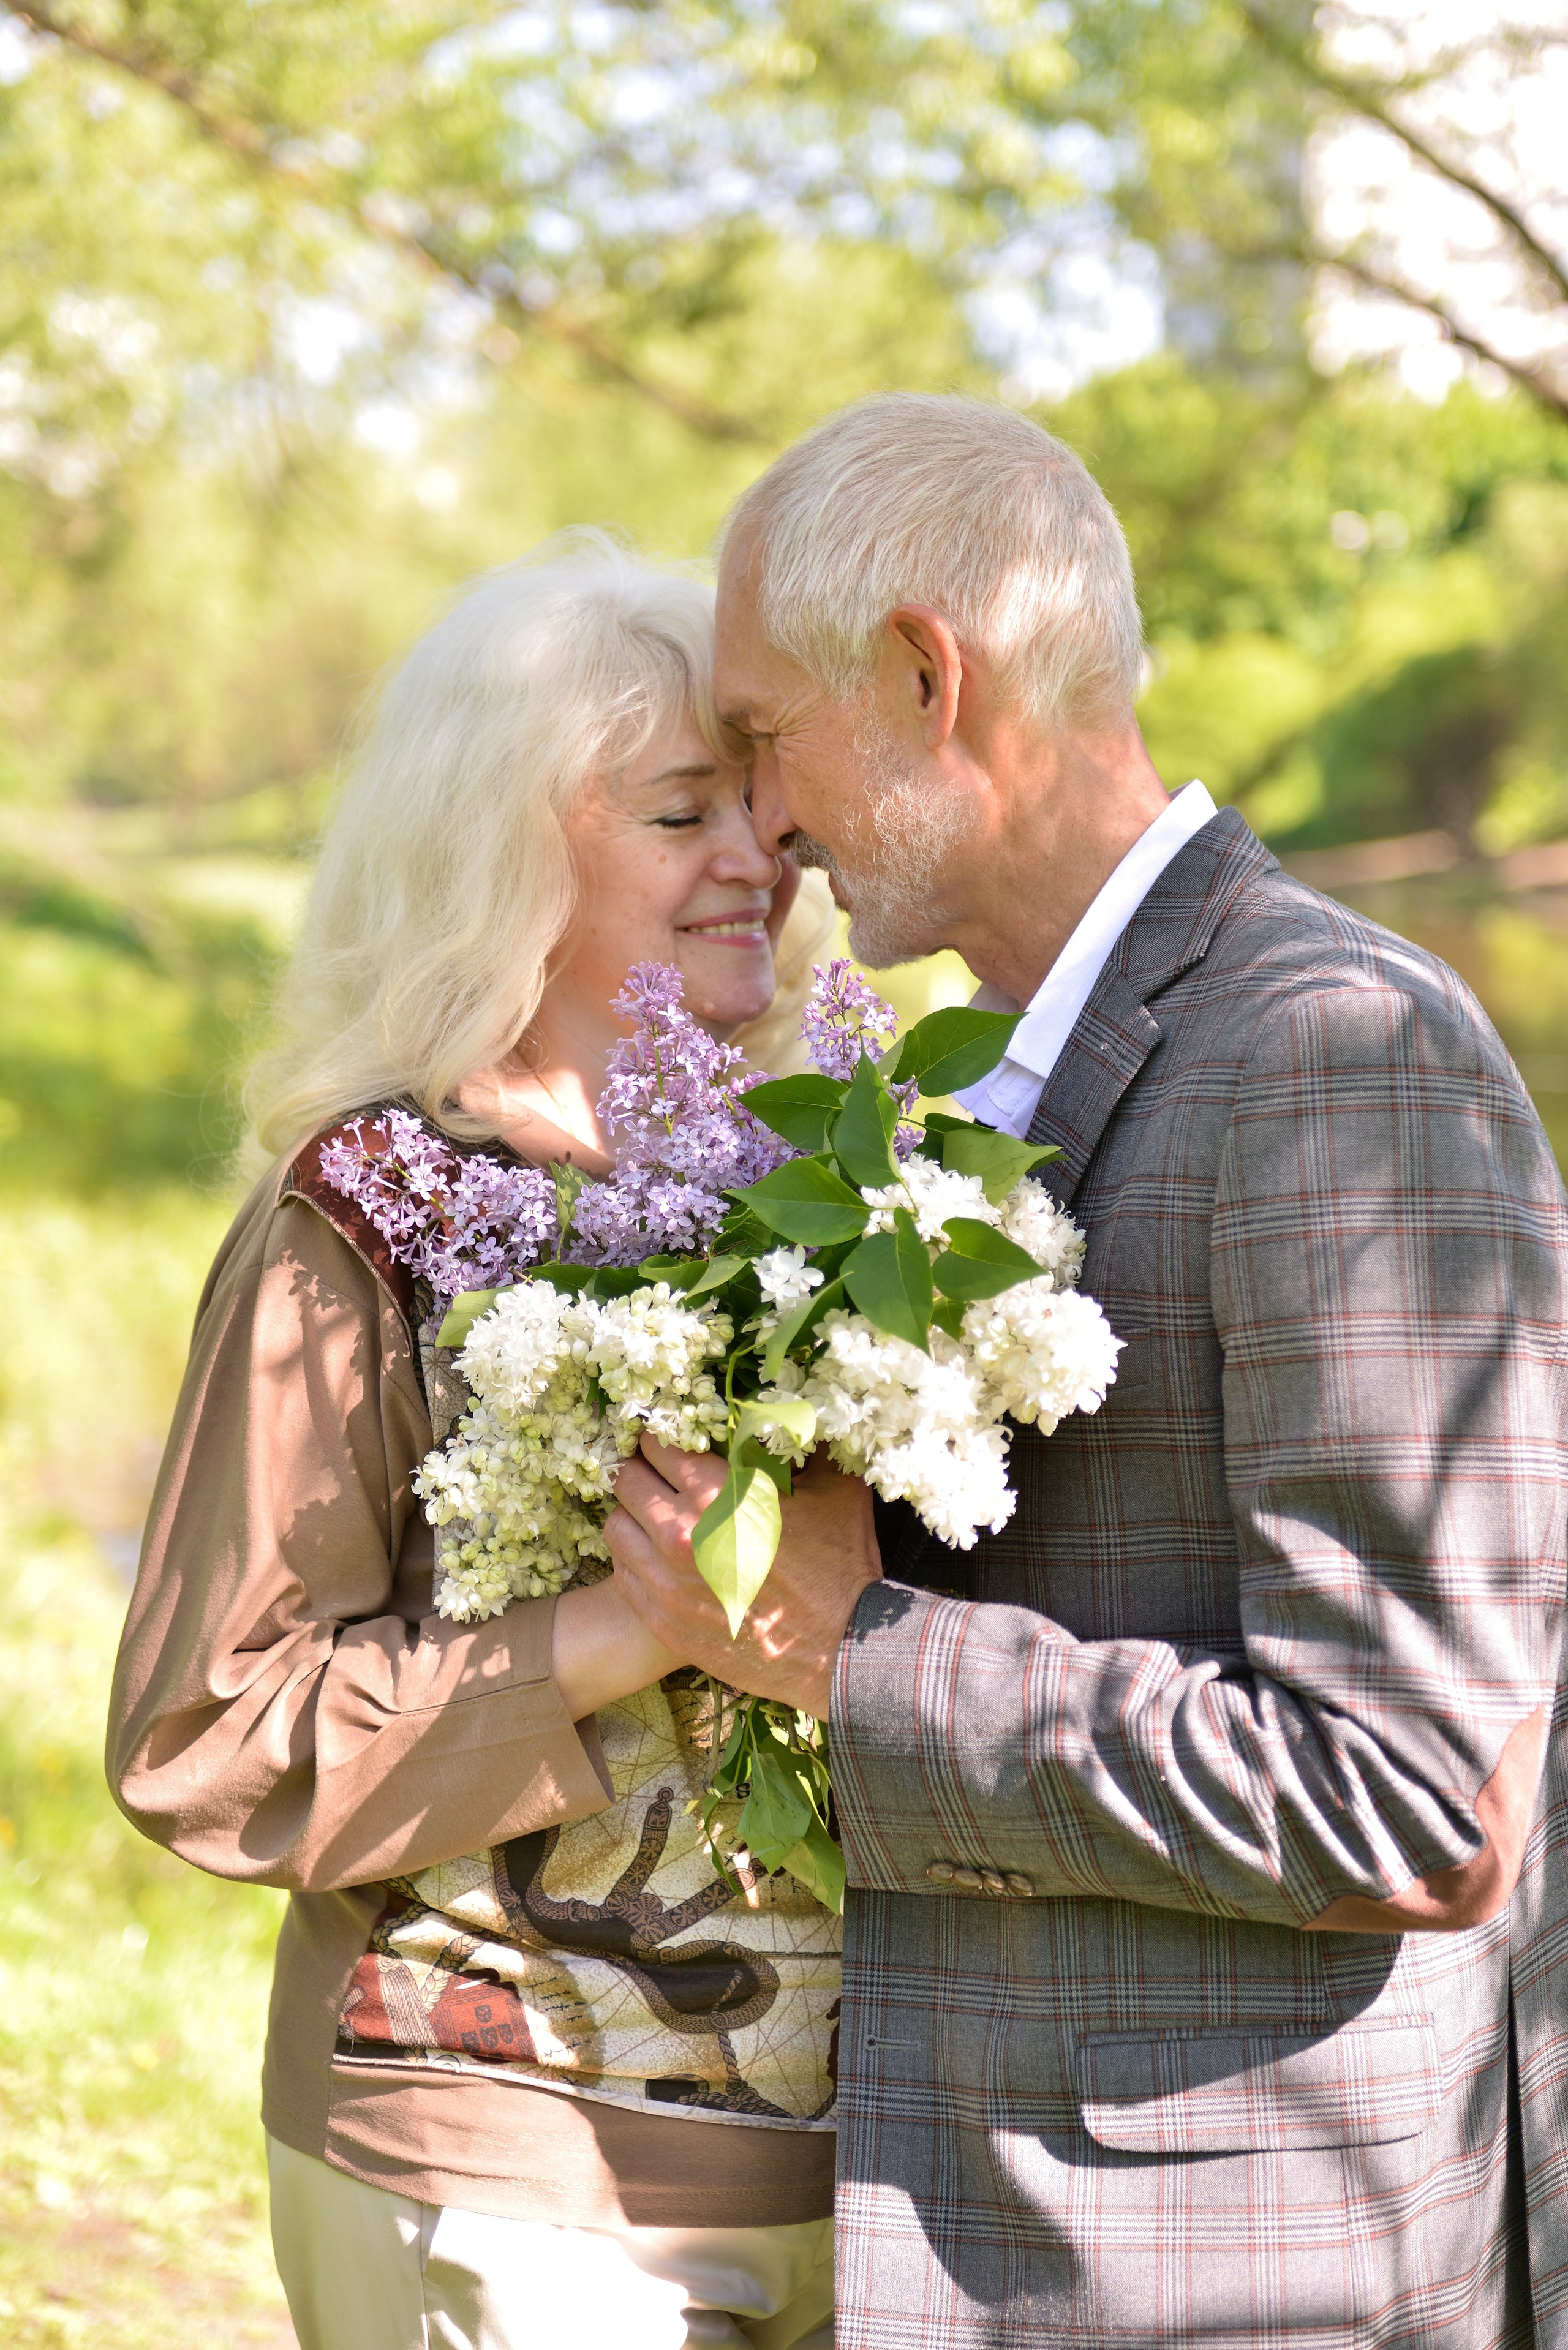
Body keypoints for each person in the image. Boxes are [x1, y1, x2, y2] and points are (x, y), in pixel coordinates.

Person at [606, 398, 1568, 2346]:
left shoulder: (1336, 1054)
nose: (764, 823)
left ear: (923, 675)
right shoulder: (995, 1077)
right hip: (1021, 2234)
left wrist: (848, 1649)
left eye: (768, 738)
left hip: (1246, 2279)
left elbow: (1420, 1795)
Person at [107, 534, 843, 2350]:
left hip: (866, 2176)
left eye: (765, 807)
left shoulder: (843, 1194)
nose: (758, 856)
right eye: (684, 815)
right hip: (506, 2180)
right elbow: (205, 1729)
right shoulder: (361, 1216)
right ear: (512, 850)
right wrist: (623, 1631)